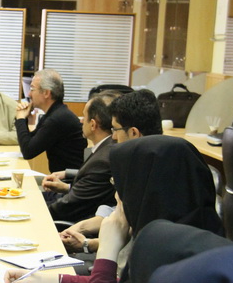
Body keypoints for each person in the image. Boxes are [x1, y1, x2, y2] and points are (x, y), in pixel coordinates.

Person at [5, 135, 222, 283]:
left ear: (146, 189)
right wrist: (52, 282)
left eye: (121, 184)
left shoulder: (164, 251)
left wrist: (107, 250)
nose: (117, 195)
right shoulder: (196, 232)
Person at [60, 89, 163, 253]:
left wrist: (88, 244)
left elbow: (133, 243)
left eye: (115, 130)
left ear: (133, 133)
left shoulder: (152, 177)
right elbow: (115, 211)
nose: (113, 137)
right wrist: (81, 228)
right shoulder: (141, 162)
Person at [41, 91, 118, 222]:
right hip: (72, 201)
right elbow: (90, 188)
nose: (81, 121)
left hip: (73, 223)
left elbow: (66, 207)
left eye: (84, 116)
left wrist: (33, 210)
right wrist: (67, 177)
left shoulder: (103, 159)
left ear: (93, 124)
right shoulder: (107, 147)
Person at [15, 69, 86, 173]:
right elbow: (28, 142)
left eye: (32, 89)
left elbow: (28, 152)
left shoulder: (58, 119)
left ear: (46, 93)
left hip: (68, 183)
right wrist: (25, 118)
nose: (29, 94)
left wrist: (20, 118)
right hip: (60, 180)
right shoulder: (54, 113)